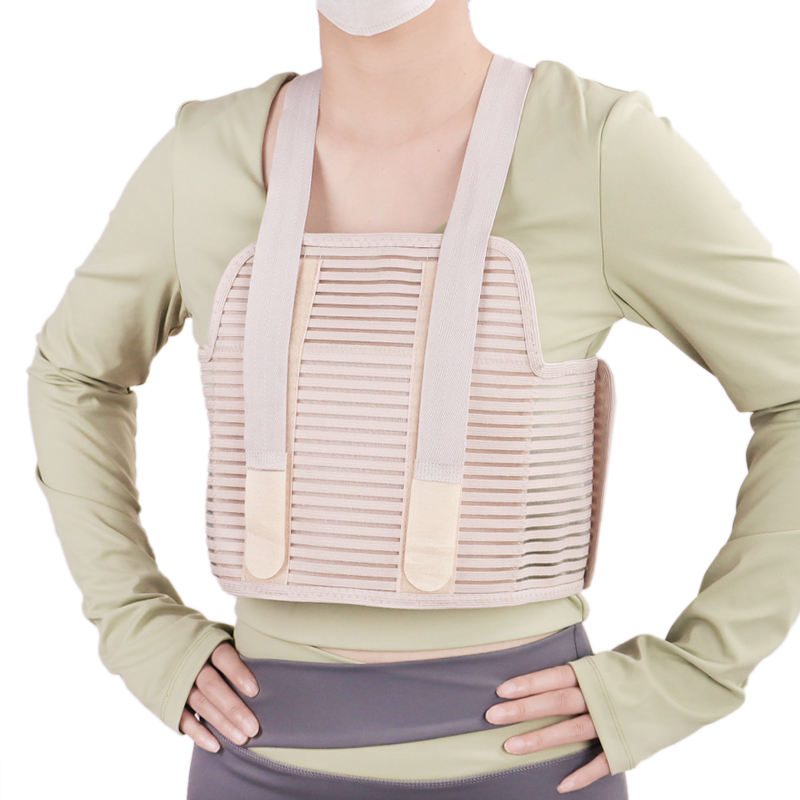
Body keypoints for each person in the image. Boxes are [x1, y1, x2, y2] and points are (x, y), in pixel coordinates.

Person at [26, 0, 800, 797]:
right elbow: (72, 375)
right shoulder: (203, 159)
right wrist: (138, 628)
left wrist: (694, 674)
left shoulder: (593, 146)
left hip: (532, 762)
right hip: (257, 753)